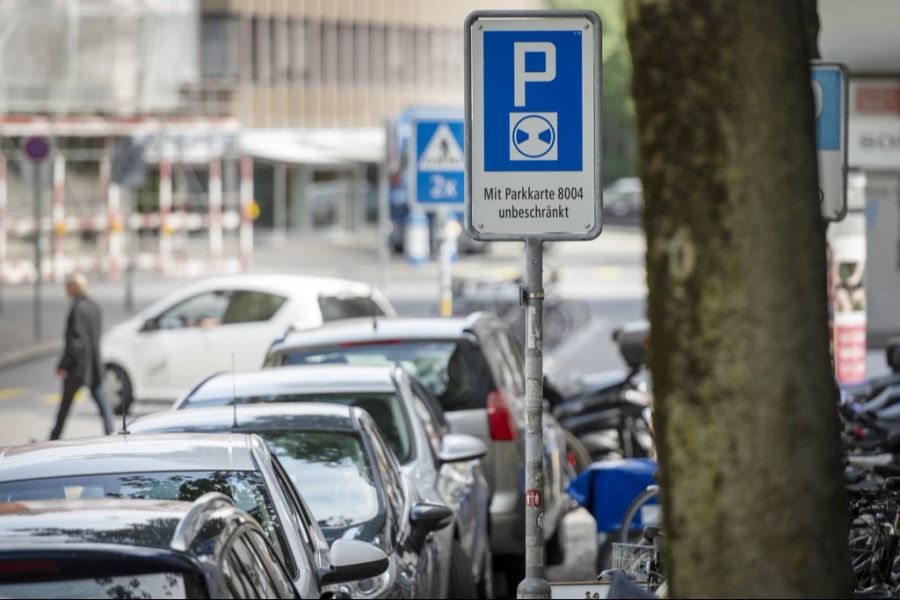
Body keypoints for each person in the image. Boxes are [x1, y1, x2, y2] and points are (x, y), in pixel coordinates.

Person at [50, 273, 113, 440]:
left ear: (74, 287)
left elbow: (75, 342)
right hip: (94, 364)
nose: (66, 290)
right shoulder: (94, 306)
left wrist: (64, 365)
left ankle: (53, 438)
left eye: (67, 286)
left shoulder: (76, 309)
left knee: (65, 406)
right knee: (103, 403)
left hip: (78, 367)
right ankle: (112, 434)